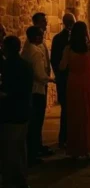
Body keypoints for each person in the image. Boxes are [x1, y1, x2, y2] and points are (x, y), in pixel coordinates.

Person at [59, 21, 90, 159]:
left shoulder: (68, 49)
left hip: (74, 82)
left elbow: (62, 66)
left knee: (75, 114)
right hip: (89, 82)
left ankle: (77, 149)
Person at [2, 36, 33, 186]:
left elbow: (8, 90)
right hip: (24, 110)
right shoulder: (26, 65)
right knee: (20, 147)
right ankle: (22, 178)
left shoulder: (8, 65)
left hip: (11, 111)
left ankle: (14, 180)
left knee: (10, 149)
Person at [22, 26, 49, 164]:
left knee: (32, 124)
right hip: (37, 90)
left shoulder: (26, 50)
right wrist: (50, 79)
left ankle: (31, 152)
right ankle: (33, 154)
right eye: (41, 35)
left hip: (29, 90)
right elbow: (39, 74)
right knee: (36, 123)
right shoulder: (36, 52)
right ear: (36, 37)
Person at [28, 13, 53, 159]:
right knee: (36, 118)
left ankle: (38, 145)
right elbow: (38, 71)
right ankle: (34, 148)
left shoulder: (39, 42)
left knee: (39, 118)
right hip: (37, 86)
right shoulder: (33, 46)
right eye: (43, 21)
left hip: (42, 84)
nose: (46, 23)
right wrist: (50, 79)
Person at [50, 13, 74, 149]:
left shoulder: (58, 38)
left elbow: (54, 60)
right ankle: (67, 137)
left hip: (66, 77)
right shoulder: (63, 39)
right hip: (68, 77)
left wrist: (59, 75)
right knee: (68, 109)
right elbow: (55, 59)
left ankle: (65, 137)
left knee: (67, 109)